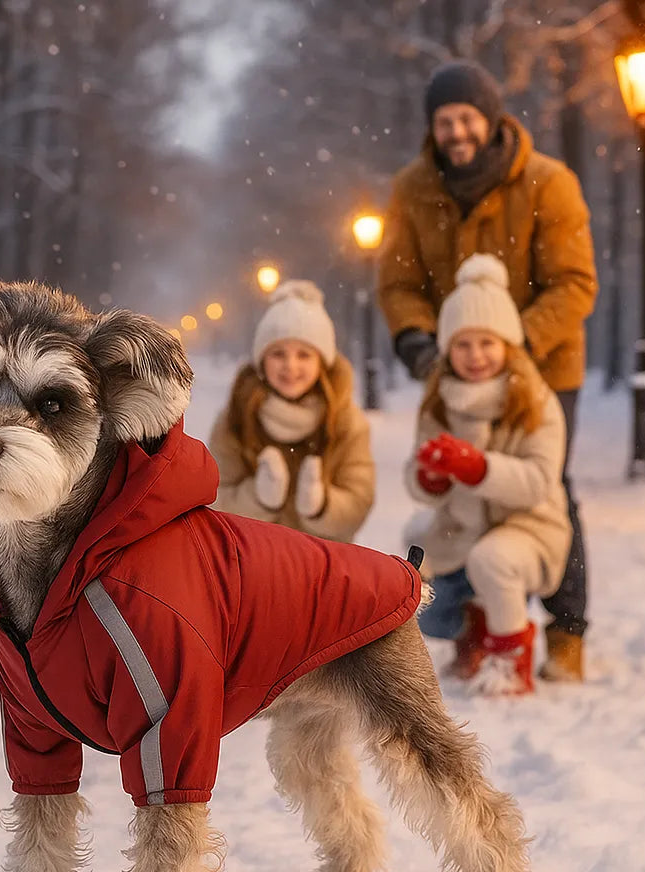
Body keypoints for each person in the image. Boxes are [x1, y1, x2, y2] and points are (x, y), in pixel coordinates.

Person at [378, 59, 597, 682]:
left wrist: (515, 345)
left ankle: (567, 626)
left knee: (548, 484)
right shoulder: (413, 188)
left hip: (544, 364)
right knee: (461, 482)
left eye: (467, 116)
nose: (457, 131)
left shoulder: (547, 182)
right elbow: (398, 280)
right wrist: (423, 342)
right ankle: (478, 614)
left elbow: (575, 282)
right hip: (454, 367)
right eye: (445, 121)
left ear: (492, 117)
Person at [407, 254, 571, 696]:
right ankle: (470, 631)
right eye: (463, 344)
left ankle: (509, 658)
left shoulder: (536, 400)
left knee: (492, 558)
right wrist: (432, 476)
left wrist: (479, 468)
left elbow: (539, 480)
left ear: (508, 345)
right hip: (463, 526)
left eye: (487, 343)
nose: (475, 356)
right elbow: (414, 477)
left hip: (530, 527)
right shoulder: (440, 401)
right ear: (446, 349)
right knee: (415, 548)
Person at [208, 279, 375, 543]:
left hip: (324, 564)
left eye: (304, 355)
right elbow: (215, 497)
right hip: (253, 560)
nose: (290, 365)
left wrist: (322, 506)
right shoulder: (235, 418)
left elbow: (359, 499)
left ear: (322, 362)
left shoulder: (346, 420)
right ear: (262, 360)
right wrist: (258, 498)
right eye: (278, 353)